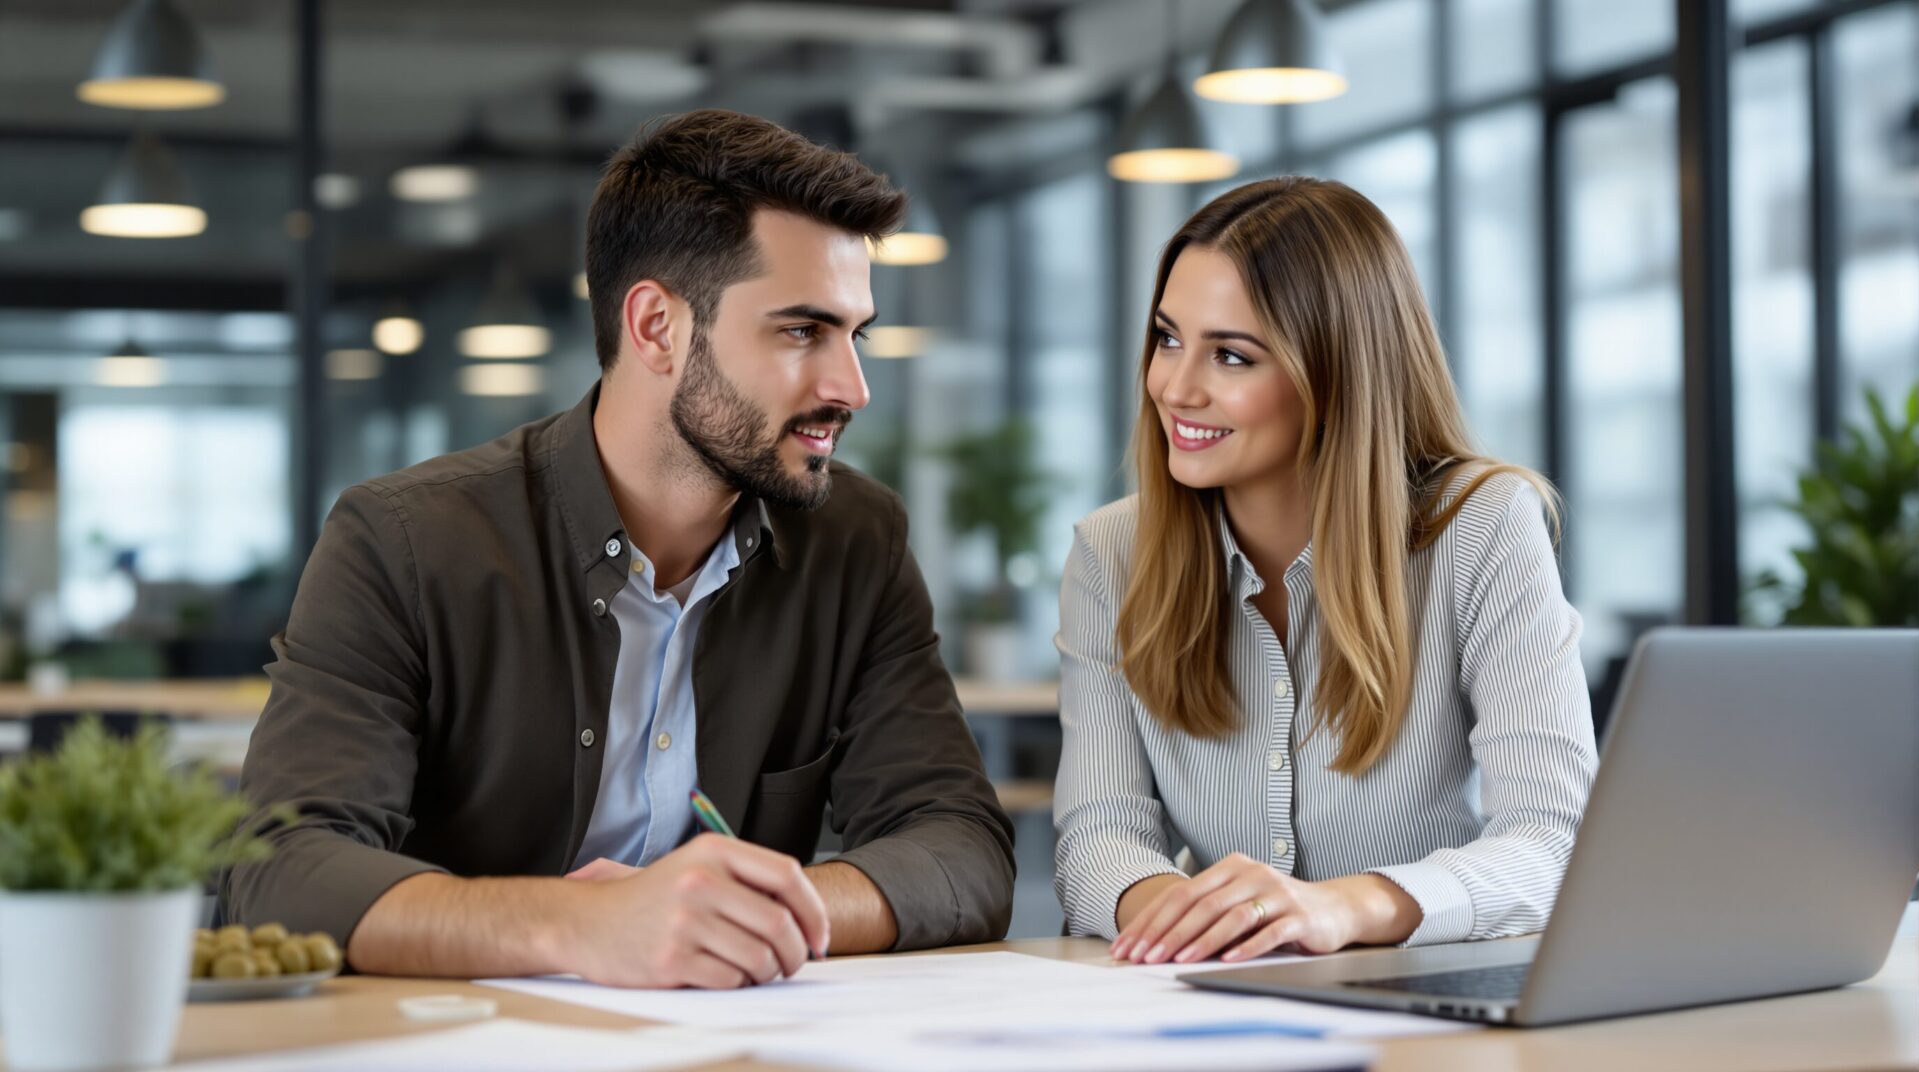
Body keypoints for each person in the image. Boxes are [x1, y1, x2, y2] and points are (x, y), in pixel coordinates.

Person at [225, 109, 1014, 989]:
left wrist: (747, 912)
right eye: (801, 331)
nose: (851, 387)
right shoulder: (403, 542)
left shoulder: (856, 544)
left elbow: (963, 847)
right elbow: (279, 868)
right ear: (656, 328)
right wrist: (585, 926)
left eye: (853, 335)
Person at [1052, 176, 1596, 967]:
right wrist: (1215, 923)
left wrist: (1343, 906)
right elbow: (1098, 841)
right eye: (1168, 338)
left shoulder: (1483, 526)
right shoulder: (1112, 554)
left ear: (1337, 373)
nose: (1175, 386)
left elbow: (1555, 840)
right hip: (1214, 1007)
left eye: (1230, 355)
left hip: (1421, 1001)